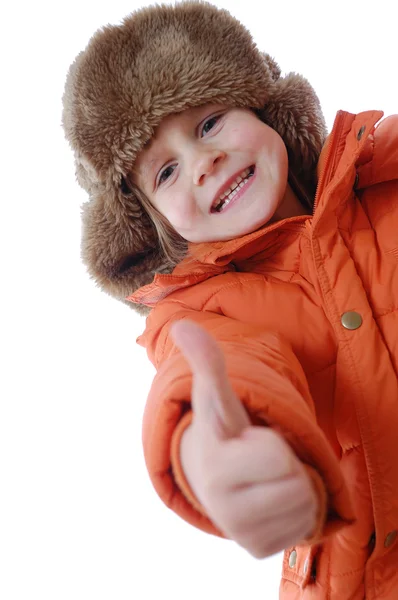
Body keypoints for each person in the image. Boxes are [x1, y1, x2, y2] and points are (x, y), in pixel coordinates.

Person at [62, 2, 398, 598]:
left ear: (267, 109)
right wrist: (205, 449)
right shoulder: (200, 314)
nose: (202, 162)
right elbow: (212, 375)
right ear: (155, 224)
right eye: (165, 172)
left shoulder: (386, 178)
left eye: (210, 122)